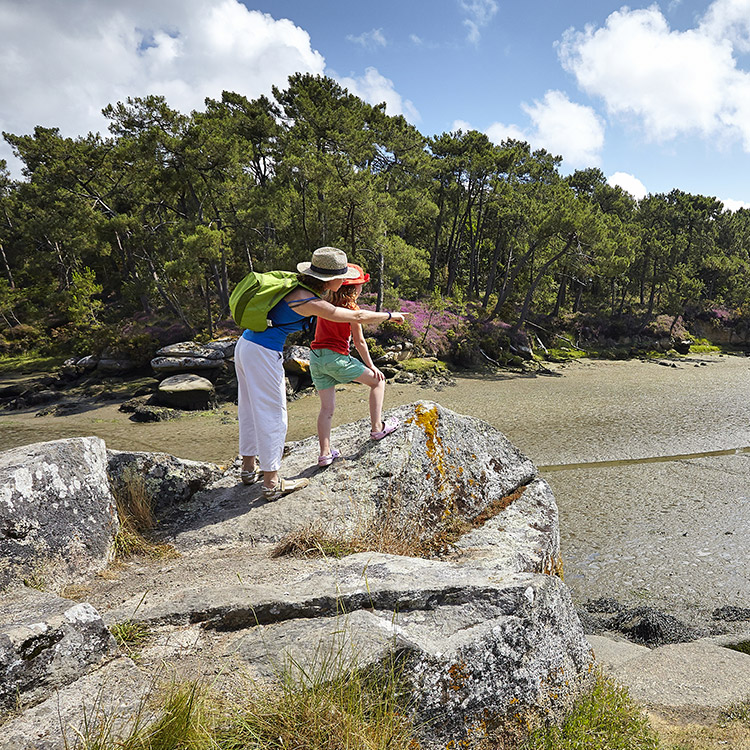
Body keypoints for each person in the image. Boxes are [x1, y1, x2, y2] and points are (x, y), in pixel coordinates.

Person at [234, 246, 406, 501]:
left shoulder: (299, 287)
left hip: (246, 345)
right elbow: (356, 315)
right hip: (262, 351)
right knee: (273, 413)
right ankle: (271, 483)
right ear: (331, 279)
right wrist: (390, 315)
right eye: (342, 275)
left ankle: (249, 469)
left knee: (248, 408)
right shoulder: (308, 300)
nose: (345, 280)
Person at [309, 263, 399, 467]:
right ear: (353, 288)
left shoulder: (325, 304)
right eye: (360, 286)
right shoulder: (351, 309)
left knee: (326, 409)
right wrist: (372, 366)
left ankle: (324, 454)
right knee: (377, 383)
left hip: (315, 358)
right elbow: (359, 342)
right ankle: (377, 428)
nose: (362, 289)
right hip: (336, 358)